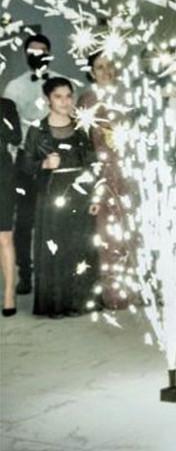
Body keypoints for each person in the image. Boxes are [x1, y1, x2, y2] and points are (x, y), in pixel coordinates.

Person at [19, 77, 99, 318]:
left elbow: (92, 163)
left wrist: (95, 196)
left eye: (68, 96)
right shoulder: (37, 130)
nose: (65, 101)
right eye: (58, 96)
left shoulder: (81, 127)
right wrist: (44, 164)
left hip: (80, 194)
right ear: (47, 100)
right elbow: (26, 165)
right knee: (56, 250)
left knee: (80, 246)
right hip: (51, 195)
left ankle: (80, 301)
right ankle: (56, 304)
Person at [3, 32, 70, 296]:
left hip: (59, 157)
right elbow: (9, 129)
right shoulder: (14, 87)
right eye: (33, 52)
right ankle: (26, 273)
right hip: (26, 160)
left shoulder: (60, 84)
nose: (38, 56)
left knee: (59, 215)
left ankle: (57, 272)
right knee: (25, 220)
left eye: (43, 51)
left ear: (49, 54)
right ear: (25, 55)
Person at [77, 50, 134, 310]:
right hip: (102, 174)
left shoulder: (127, 96)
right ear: (91, 72)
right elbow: (82, 143)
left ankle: (133, 288)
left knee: (130, 233)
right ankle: (112, 293)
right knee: (107, 235)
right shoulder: (87, 100)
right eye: (100, 67)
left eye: (109, 65)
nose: (106, 71)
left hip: (129, 172)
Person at [0, 94, 19, 316]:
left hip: (2, 175)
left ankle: (8, 294)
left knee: (4, 236)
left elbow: (16, 137)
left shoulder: (6, 106)